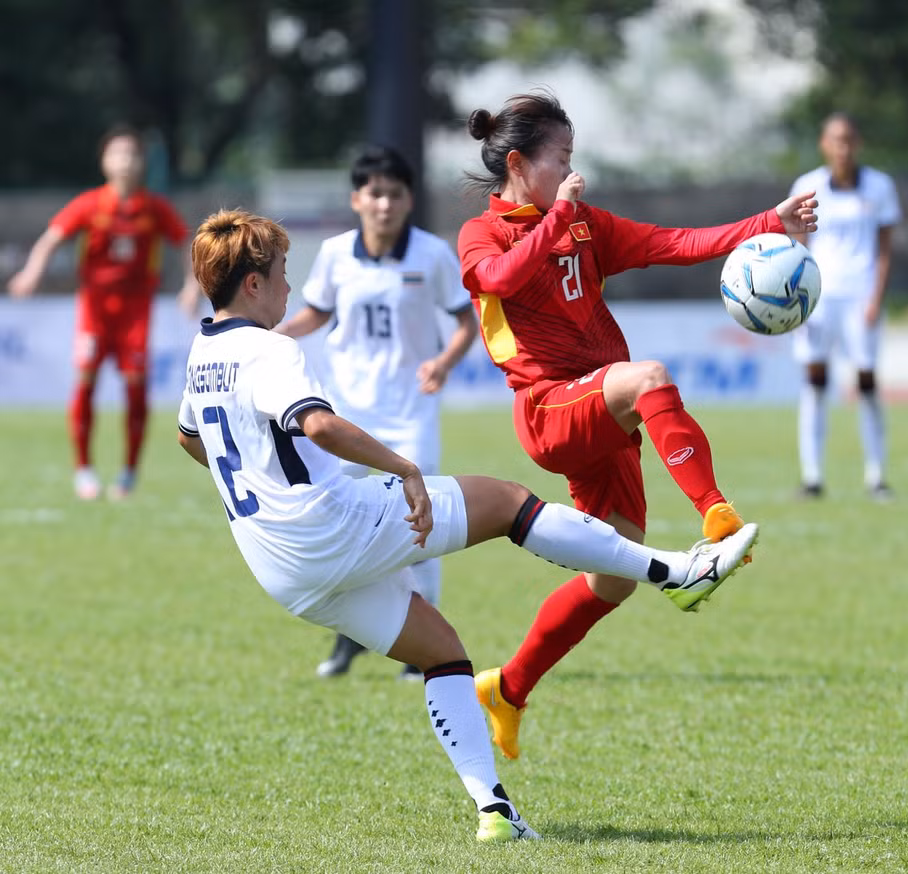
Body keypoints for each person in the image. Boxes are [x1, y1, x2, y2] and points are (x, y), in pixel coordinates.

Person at [178, 208, 757, 842]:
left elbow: (192, 439)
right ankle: (677, 573)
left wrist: (260, 480)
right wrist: (404, 468)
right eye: (284, 273)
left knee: (444, 653)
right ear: (254, 284)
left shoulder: (202, 352)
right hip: (327, 527)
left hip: (276, 565)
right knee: (507, 501)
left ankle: (495, 811)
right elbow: (316, 423)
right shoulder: (270, 348)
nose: (290, 287)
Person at [456, 91, 818, 761]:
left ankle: (507, 688)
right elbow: (502, 278)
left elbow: (673, 244)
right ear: (518, 161)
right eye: (560, 157)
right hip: (549, 409)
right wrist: (560, 212)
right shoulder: (485, 234)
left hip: (598, 411)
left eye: (571, 158)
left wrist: (768, 220)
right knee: (648, 377)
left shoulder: (583, 223)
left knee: (614, 577)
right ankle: (718, 520)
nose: (570, 169)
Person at [273, 145, 478, 680]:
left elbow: (465, 322)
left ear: (409, 199)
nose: (384, 204)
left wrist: (444, 361)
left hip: (411, 412)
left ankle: (421, 646)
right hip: (347, 414)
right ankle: (348, 637)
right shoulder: (338, 254)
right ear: (356, 199)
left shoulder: (431, 255)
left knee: (423, 523)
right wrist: (270, 336)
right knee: (337, 515)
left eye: (394, 193)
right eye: (374, 193)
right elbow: (316, 313)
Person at [7, 123, 201, 501]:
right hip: (95, 310)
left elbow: (187, 243)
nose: (125, 161)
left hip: (135, 312)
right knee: (85, 381)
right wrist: (31, 273)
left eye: (131, 154)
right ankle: (83, 470)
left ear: (141, 163)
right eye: (118, 153)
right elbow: (51, 239)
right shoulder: (90, 204)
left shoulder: (154, 209)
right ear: (104, 162)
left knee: (135, 389)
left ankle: (128, 473)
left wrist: (191, 285)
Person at [788, 112, 901, 500]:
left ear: (859, 143)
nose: (843, 147)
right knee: (815, 382)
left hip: (861, 295)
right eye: (836, 139)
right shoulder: (808, 186)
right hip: (819, 298)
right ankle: (812, 476)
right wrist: (799, 302)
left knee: (867, 383)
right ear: (824, 144)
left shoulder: (879, 187)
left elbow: (885, 248)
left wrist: (876, 297)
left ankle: (876, 475)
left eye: (850, 139)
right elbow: (799, 246)